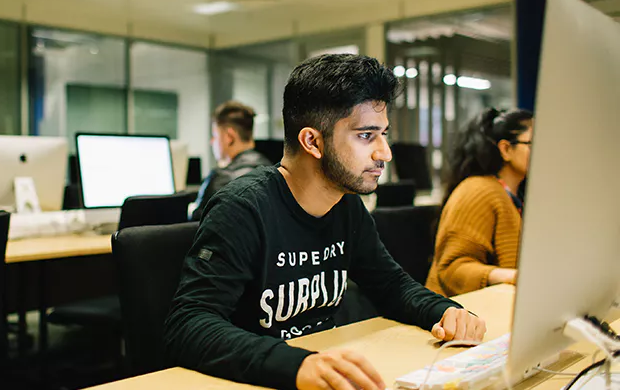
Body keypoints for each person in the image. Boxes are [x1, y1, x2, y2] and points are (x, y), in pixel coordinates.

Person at [164, 54, 486, 390]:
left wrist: (445, 311)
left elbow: (390, 285)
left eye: (383, 134)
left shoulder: (345, 207)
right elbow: (189, 325)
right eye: (366, 136)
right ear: (312, 142)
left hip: (322, 369)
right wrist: (298, 365)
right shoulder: (243, 208)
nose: (384, 153)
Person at [426, 108, 533, 297]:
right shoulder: (478, 191)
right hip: (455, 316)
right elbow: (452, 270)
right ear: (506, 149)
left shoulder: (519, 194)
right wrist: (511, 276)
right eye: (533, 143)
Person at [191, 100, 272, 220]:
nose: (212, 142)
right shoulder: (271, 169)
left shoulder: (221, 178)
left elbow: (197, 223)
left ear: (229, 137)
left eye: (214, 135)